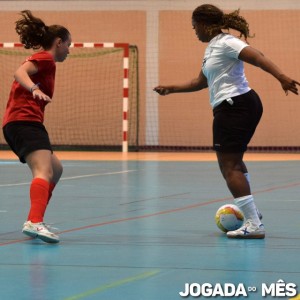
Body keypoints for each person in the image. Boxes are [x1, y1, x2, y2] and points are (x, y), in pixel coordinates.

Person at [154, 4, 299, 239]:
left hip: (235, 105)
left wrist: (281, 76)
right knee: (235, 163)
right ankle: (253, 214)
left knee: (228, 166)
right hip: (234, 105)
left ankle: (253, 224)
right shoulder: (212, 48)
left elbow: (257, 56)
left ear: (203, 25)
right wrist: (171, 89)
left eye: (194, 28)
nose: (194, 32)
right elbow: (200, 82)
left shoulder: (226, 42)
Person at [2, 10, 71, 243]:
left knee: (56, 169)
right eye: (67, 45)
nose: (69, 51)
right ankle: (34, 222)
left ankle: (36, 218)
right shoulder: (45, 58)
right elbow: (19, 71)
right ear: (59, 42)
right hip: (24, 122)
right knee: (43, 171)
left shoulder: (47, 62)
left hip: (24, 122)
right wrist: (34, 89)